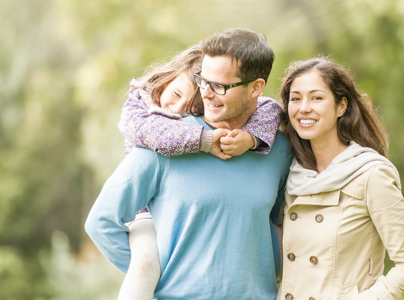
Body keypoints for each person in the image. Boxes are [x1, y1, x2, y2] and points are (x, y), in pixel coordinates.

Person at [85, 28, 292, 300]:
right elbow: (102, 223)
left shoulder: (277, 149)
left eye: (220, 86)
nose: (205, 93)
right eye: (203, 81)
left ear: (256, 88)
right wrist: (160, 280)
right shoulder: (163, 143)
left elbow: (277, 224)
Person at [277, 56, 404, 300]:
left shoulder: (371, 174)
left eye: (316, 97)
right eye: (296, 98)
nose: (304, 107)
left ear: (341, 106)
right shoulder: (291, 174)